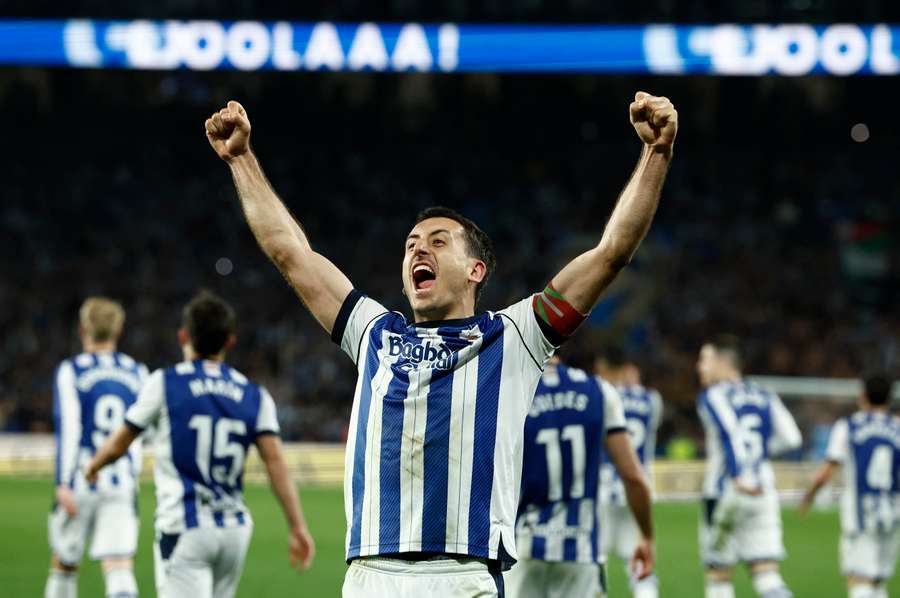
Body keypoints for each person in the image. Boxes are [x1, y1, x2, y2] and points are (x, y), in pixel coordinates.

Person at [203, 90, 677, 597]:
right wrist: (241, 159)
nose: (417, 250)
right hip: (370, 576)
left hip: (462, 577)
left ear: (476, 270)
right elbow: (291, 254)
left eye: (437, 241)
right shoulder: (375, 333)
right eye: (410, 244)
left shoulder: (514, 336)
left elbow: (611, 253)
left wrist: (656, 155)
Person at [84, 291, 315, 598]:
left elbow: (120, 442)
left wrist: (93, 465)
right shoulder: (254, 394)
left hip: (185, 527)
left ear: (183, 335)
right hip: (234, 530)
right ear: (230, 341)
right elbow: (275, 463)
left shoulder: (165, 383)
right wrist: (297, 526)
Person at [506, 356, 654, 598]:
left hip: (523, 542)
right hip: (581, 547)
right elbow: (633, 476)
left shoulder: (510, 390)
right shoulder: (599, 390)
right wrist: (647, 536)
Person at [45, 297, 146, 598]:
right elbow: (139, 431)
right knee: (119, 565)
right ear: (119, 330)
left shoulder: (72, 370)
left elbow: (70, 427)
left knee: (64, 562)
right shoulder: (137, 371)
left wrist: (63, 482)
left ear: (82, 328)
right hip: (121, 482)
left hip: (80, 480)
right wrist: (133, 475)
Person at [696, 335, 802, 598]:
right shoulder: (764, 394)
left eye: (704, 360)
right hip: (763, 490)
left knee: (718, 575)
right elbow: (792, 438)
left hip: (726, 491)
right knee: (767, 574)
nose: (700, 367)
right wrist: (759, 456)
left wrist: (739, 473)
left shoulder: (714, 395)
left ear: (723, 363)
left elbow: (731, 433)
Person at [798, 374, 900, 598]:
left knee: (859, 579)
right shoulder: (897, 428)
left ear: (862, 396)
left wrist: (809, 496)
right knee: (877, 581)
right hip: (892, 514)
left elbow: (828, 469)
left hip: (860, 516)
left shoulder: (849, 426)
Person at [595, 348, 662, 598]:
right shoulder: (652, 400)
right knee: (640, 564)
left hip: (603, 487)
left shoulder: (601, 395)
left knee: (593, 564)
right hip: (638, 490)